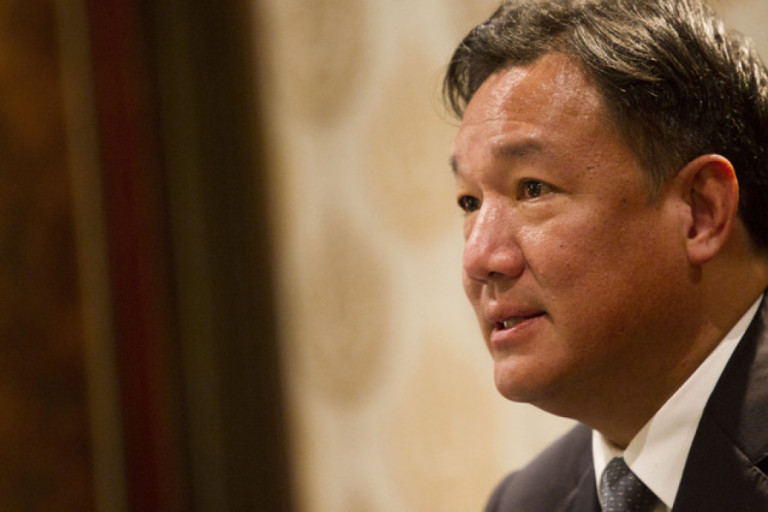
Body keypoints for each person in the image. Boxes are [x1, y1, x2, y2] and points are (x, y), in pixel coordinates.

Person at [443, 0, 768, 510]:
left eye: (532, 188)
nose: (478, 258)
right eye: (470, 202)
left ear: (701, 211)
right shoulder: (524, 502)